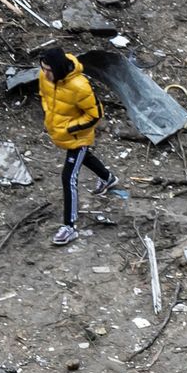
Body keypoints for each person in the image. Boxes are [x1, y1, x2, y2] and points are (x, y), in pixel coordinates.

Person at [38, 48, 126, 248]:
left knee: (68, 177)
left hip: (79, 137)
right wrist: (48, 116)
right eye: (43, 69)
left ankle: (69, 227)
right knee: (83, 158)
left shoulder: (80, 86)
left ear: (59, 69)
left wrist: (70, 128)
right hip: (63, 134)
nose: (45, 74)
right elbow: (44, 95)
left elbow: (95, 114)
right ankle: (108, 178)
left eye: (48, 70)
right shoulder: (45, 77)